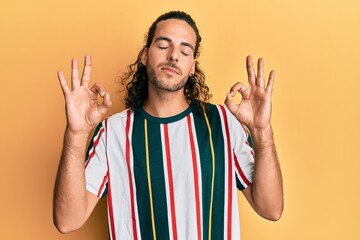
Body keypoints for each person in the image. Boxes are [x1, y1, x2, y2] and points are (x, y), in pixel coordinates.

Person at [53, 11, 283, 240]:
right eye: (163, 45)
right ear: (144, 55)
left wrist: (262, 132)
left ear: (192, 66)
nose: (173, 56)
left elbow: (271, 209)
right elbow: (67, 221)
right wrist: (76, 133)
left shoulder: (223, 122)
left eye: (184, 51)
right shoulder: (112, 132)